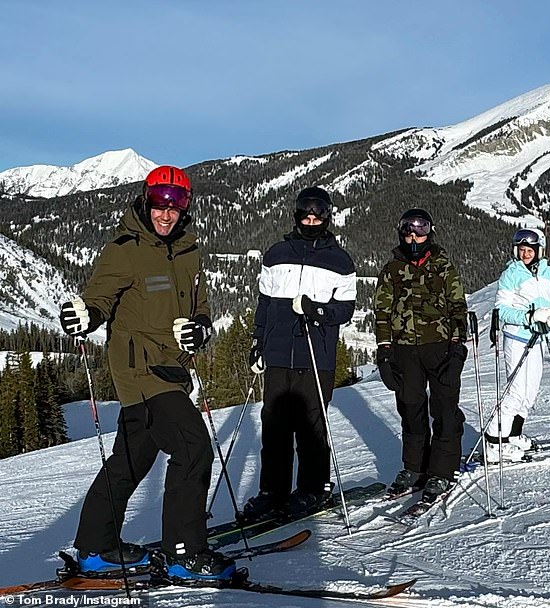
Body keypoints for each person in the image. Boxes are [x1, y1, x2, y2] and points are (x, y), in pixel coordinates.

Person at [59, 166, 236, 581]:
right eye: (159, 204)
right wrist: (85, 317)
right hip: (140, 370)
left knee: (131, 459)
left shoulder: (190, 249)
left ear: (185, 207)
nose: (165, 214)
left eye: (175, 206)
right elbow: (98, 300)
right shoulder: (125, 248)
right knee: (193, 448)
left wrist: (200, 329)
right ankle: (184, 553)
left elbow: (201, 306)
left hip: (173, 367)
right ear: (146, 199)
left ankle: (96, 547)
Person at [243, 186, 356, 521]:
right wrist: (258, 342)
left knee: (310, 426)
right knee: (274, 426)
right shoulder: (276, 254)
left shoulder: (340, 260)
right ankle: (272, 492)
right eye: (306, 213)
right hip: (278, 352)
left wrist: (317, 311)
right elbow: (264, 303)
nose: (311, 219)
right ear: (296, 215)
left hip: (315, 353)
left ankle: (313, 488)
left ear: (327, 215)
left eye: (318, 213)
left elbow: (345, 309)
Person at [374, 208, 468, 501]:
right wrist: (384, 351)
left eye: (421, 229)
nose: (414, 236)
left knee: (444, 409)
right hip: (404, 350)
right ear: (400, 232)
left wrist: (457, 346)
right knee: (411, 409)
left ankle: (442, 470)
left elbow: (457, 307)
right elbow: (382, 313)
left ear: (430, 231)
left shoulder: (443, 266)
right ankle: (415, 467)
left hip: (439, 347)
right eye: (408, 230)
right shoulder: (391, 270)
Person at [484, 227, 550, 463]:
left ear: (539, 250)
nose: (525, 253)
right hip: (517, 338)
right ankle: (494, 442)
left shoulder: (549, 273)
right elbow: (501, 311)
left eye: (529, 249)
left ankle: (514, 435)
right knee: (516, 391)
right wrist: (529, 318)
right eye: (521, 249)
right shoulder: (511, 274)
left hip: (539, 339)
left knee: (529, 393)